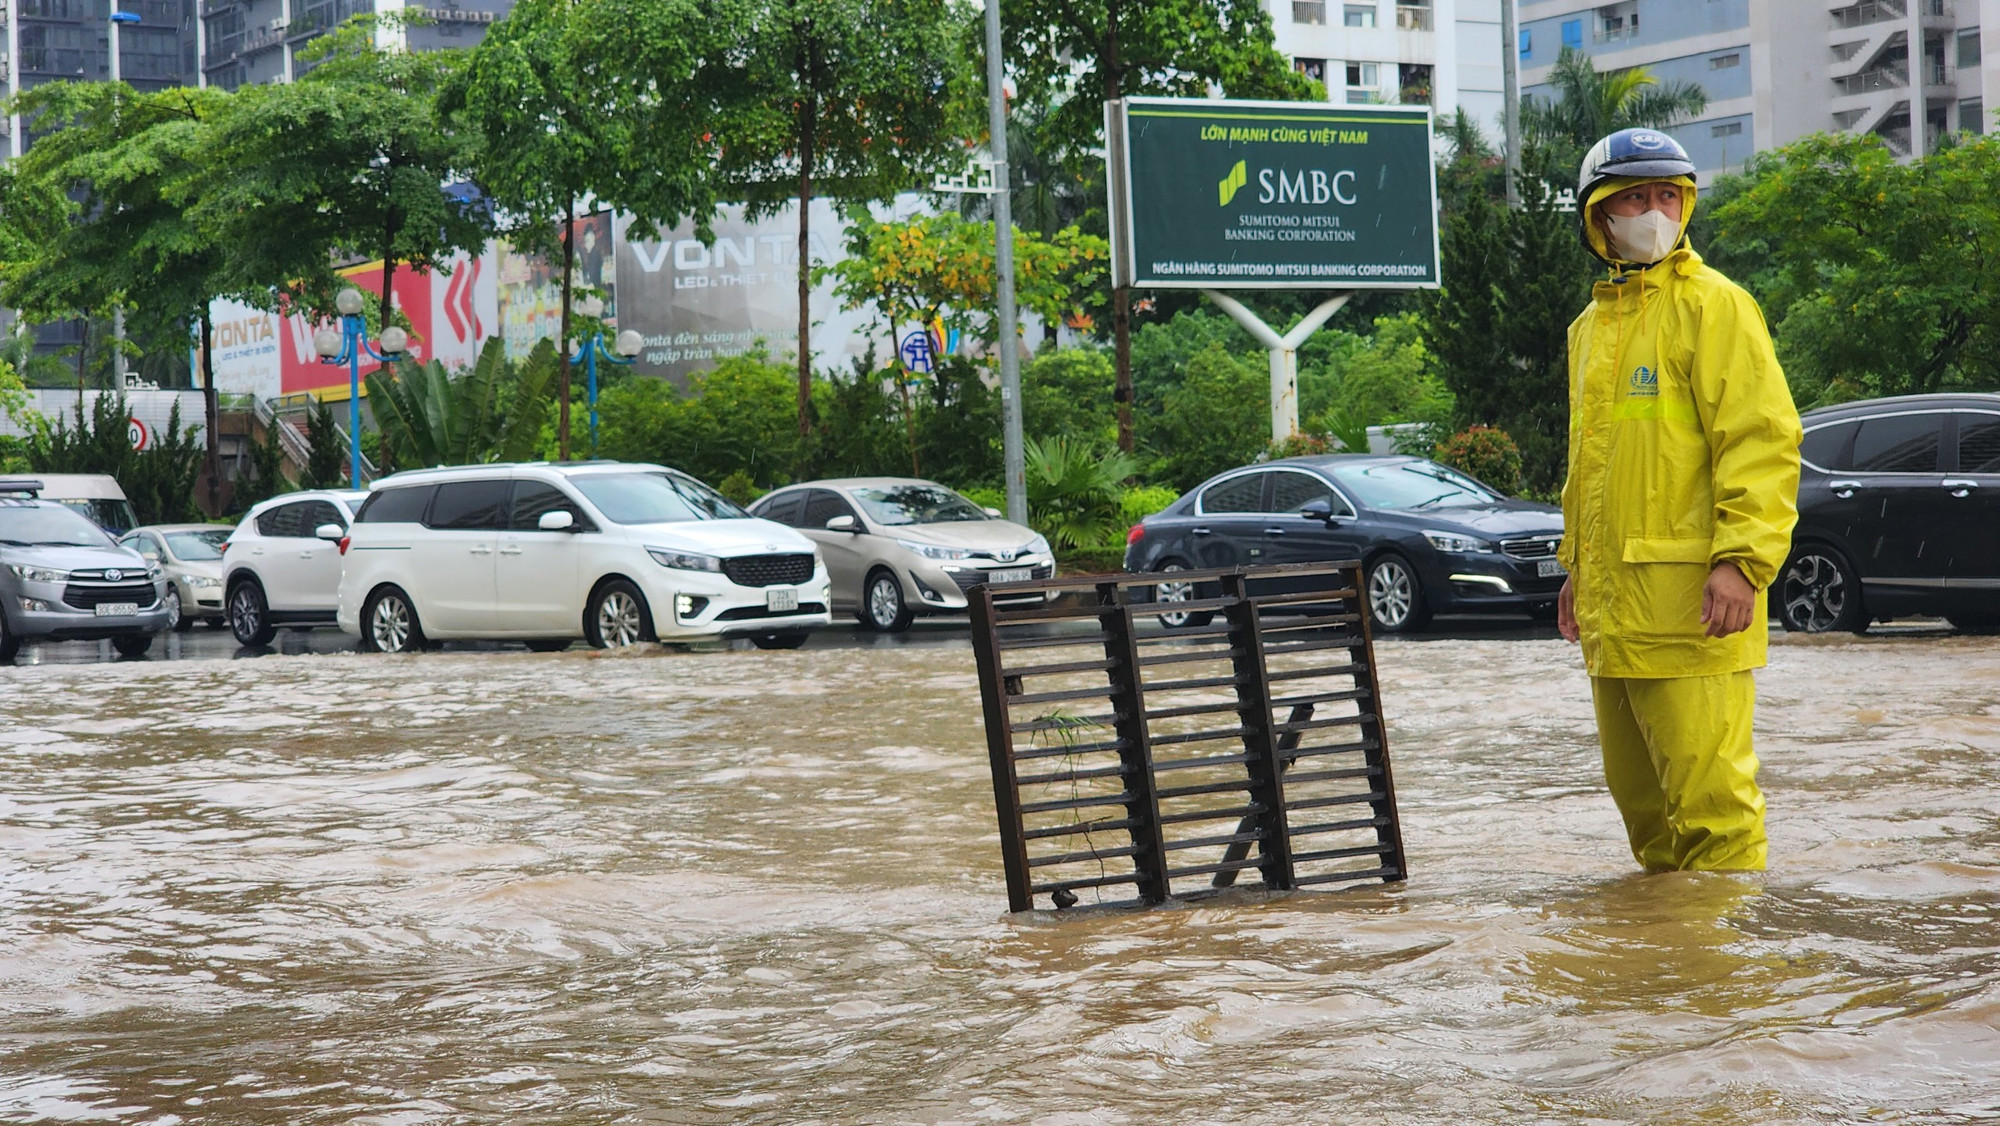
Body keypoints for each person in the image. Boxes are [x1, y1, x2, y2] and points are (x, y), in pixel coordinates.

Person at [1554, 128, 1803, 873]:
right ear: (1598, 214)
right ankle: (1671, 975)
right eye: (1635, 197)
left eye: (1668, 196)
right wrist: (1576, 568)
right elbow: (1593, 470)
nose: (1653, 212)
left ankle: (1726, 982)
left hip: (1695, 609)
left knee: (1714, 816)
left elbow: (1761, 441)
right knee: (1648, 819)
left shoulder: (1715, 306)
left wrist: (1744, 562)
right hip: (1614, 614)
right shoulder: (1589, 329)